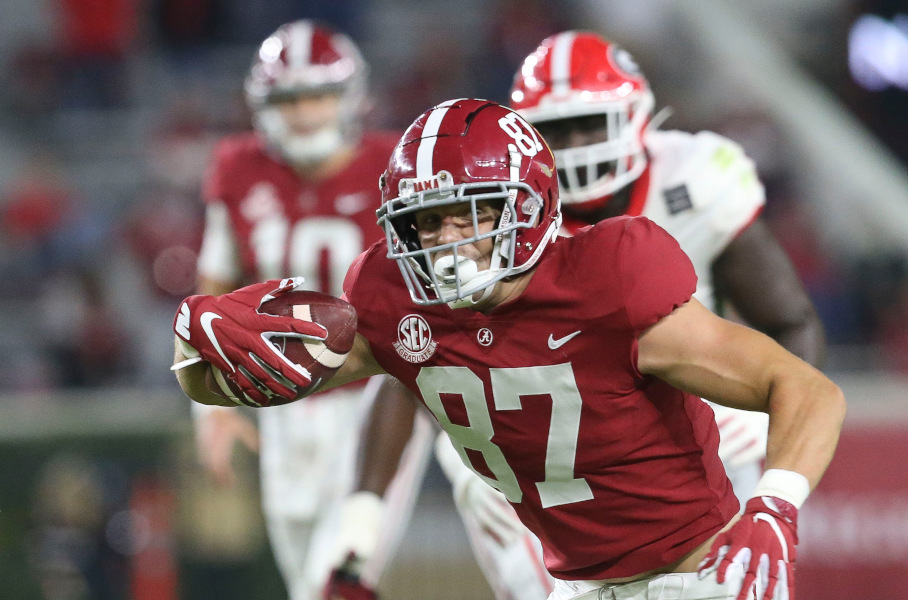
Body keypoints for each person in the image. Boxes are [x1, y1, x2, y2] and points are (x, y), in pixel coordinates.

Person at [174, 97, 846, 600]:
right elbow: (244, 380)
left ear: (528, 204)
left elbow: (808, 389)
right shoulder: (396, 304)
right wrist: (198, 349)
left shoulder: (608, 277)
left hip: (699, 575)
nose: (444, 241)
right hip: (577, 587)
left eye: (470, 214)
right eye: (424, 222)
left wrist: (775, 503)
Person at [429, 31, 829, 600]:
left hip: (693, 403)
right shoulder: (494, 218)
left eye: (591, 123)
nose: (575, 146)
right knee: (463, 461)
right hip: (557, 410)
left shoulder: (697, 178)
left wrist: (777, 436)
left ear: (636, 115)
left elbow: (790, 321)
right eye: (556, 131)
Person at [186, 20, 434, 600]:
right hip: (282, 401)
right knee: (305, 584)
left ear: (351, 96)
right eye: (288, 98)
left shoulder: (395, 166)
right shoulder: (237, 168)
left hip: (375, 396)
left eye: (318, 94)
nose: (304, 112)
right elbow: (215, 285)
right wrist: (210, 409)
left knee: (341, 578)